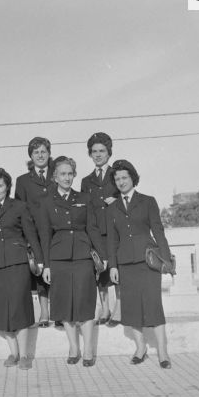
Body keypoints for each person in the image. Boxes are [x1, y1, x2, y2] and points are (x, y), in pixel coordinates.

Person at [39, 156, 106, 367]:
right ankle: (74, 348)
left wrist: (102, 255)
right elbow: (45, 235)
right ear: (55, 177)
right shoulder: (47, 202)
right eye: (63, 174)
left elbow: (92, 228)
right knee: (64, 303)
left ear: (74, 175)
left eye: (70, 174)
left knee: (85, 302)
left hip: (82, 256)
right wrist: (46, 265)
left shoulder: (84, 198)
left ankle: (88, 349)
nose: (67, 178)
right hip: (58, 258)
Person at [106, 159, 173, 369]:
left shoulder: (147, 201)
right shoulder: (112, 207)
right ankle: (140, 348)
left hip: (148, 262)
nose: (121, 182)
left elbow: (158, 232)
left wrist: (166, 261)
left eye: (124, 177)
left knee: (154, 305)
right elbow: (112, 240)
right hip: (125, 264)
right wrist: (113, 266)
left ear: (132, 178)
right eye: (117, 179)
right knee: (132, 307)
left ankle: (162, 352)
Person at [0, 168, 44, 370]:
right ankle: (13, 353)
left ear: (7, 186)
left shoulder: (19, 206)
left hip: (18, 262)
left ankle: (24, 355)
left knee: (19, 307)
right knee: (2, 309)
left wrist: (39, 260)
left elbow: (31, 235)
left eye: (0, 185)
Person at [14, 137, 61, 327]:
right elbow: (20, 209)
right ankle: (44, 312)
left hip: (57, 231)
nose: (40, 155)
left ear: (49, 153)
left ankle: (58, 311)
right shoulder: (23, 181)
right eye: (36, 152)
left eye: (43, 151)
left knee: (57, 268)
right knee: (40, 270)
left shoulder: (57, 175)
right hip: (35, 233)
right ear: (31, 156)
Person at [81, 132, 121, 326]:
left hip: (115, 231)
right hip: (96, 232)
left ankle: (119, 308)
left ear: (109, 152)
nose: (98, 155)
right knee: (100, 271)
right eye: (94, 151)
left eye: (102, 151)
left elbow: (128, 196)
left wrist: (117, 200)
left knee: (117, 268)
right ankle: (105, 309)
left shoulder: (117, 175)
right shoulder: (86, 181)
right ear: (90, 154)